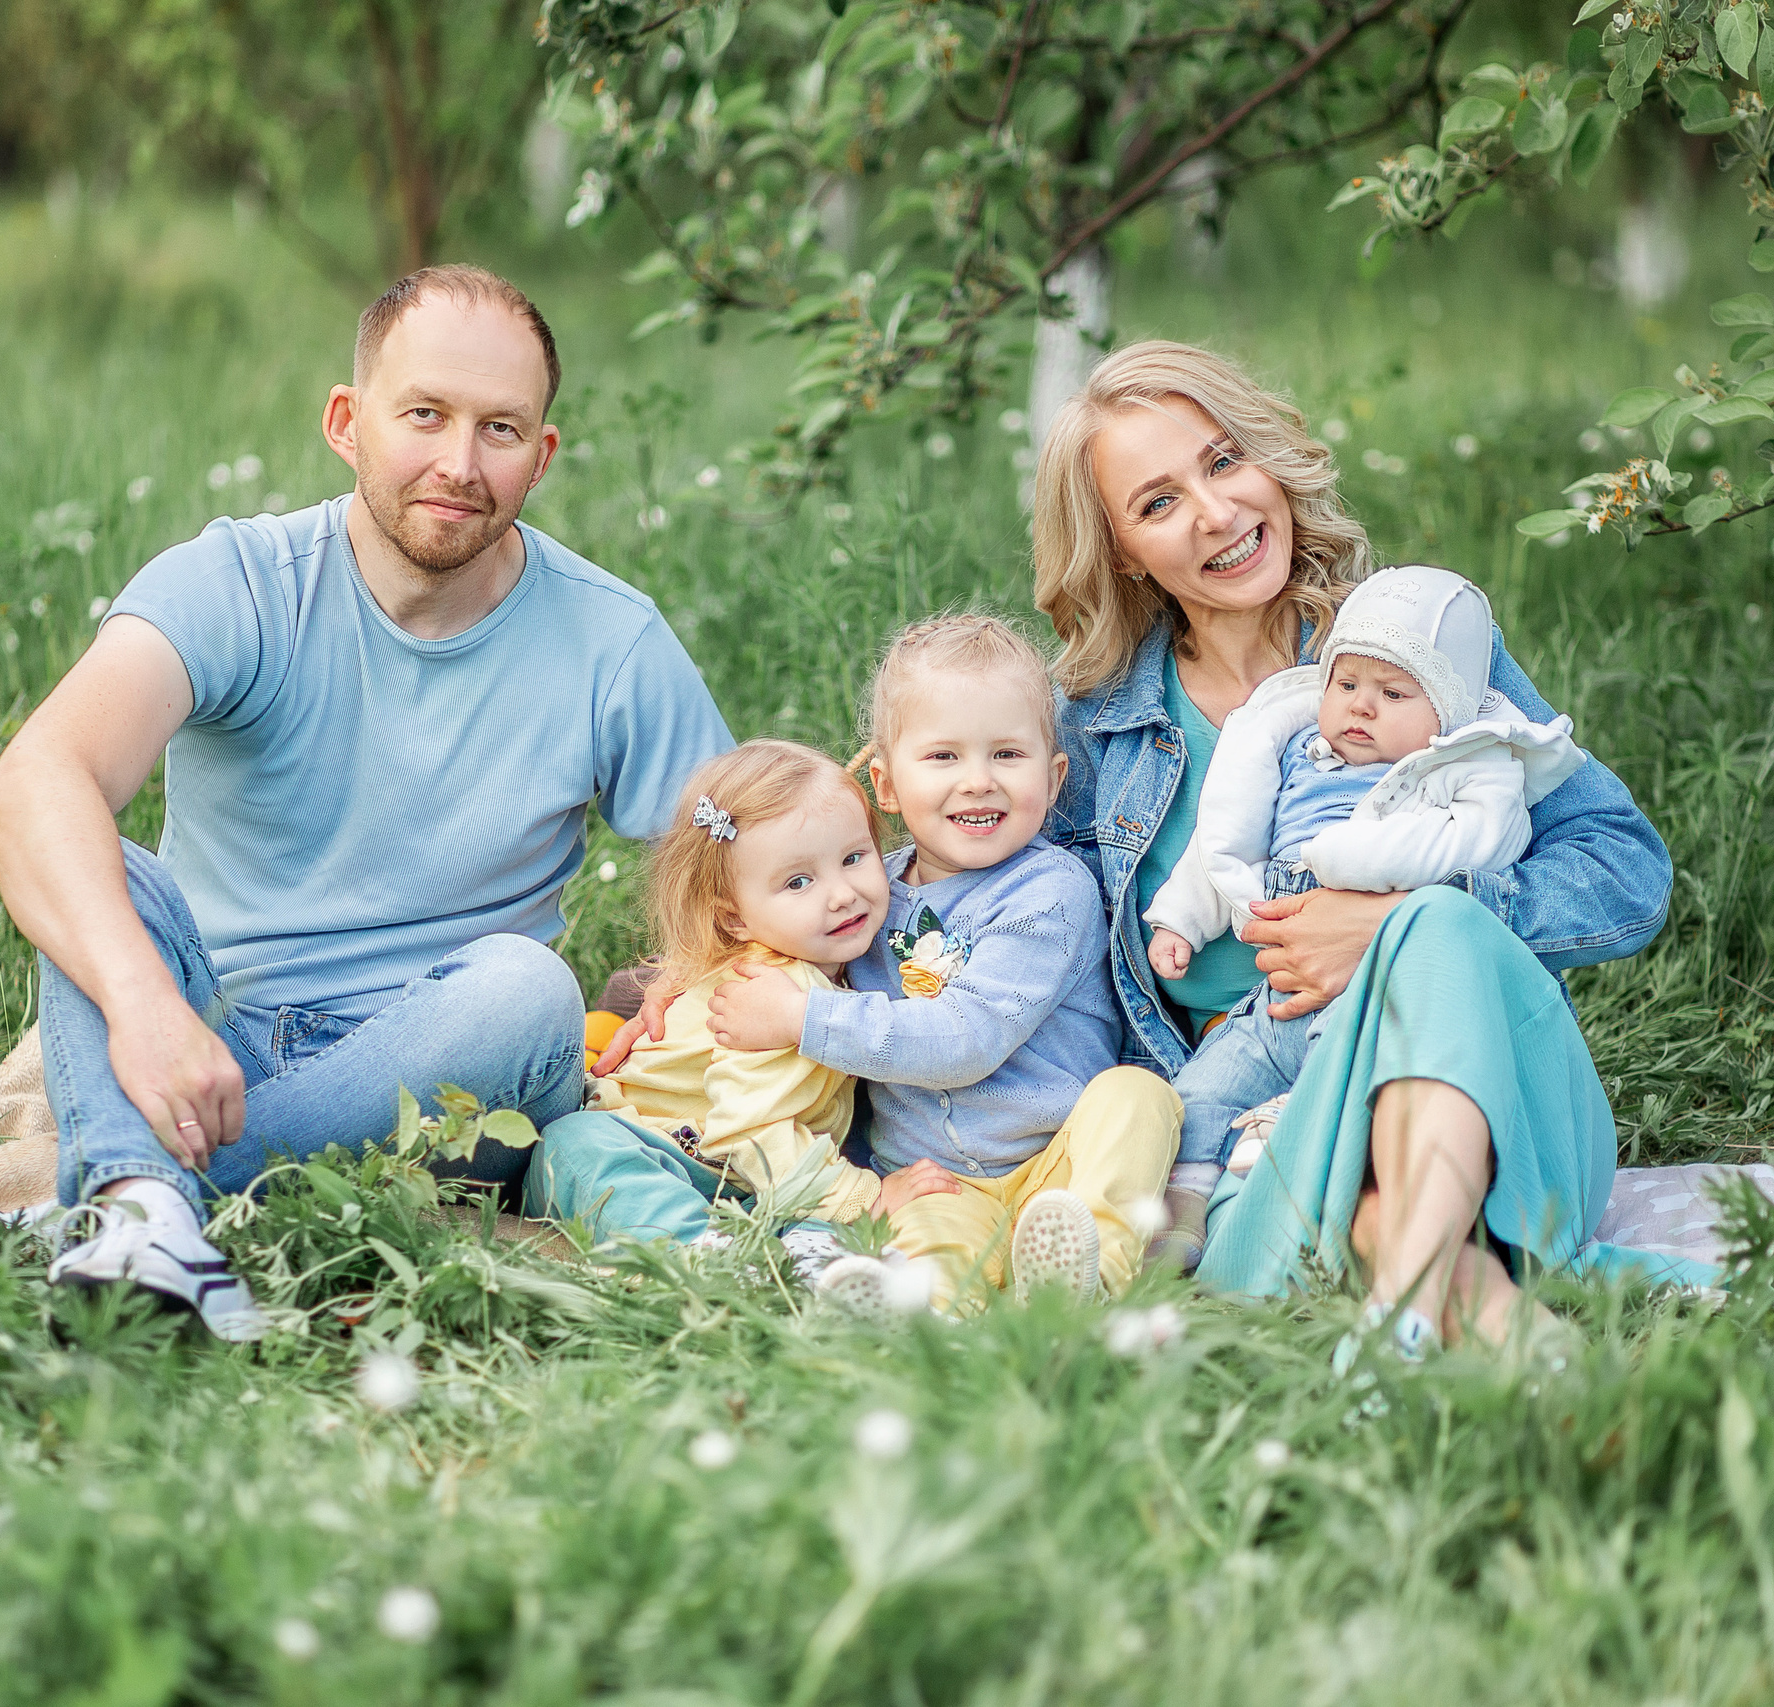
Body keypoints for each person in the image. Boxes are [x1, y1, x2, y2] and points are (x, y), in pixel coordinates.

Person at [0, 264, 733, 1339]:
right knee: (106, 870)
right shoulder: (240, 581)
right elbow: (32, 784)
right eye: (423, 415)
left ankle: (119, 1184)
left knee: (530, 988)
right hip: (212, 1039)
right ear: (348, 421)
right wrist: (147, 1009)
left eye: (501, 430)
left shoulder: (612, 641)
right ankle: (147, 1217)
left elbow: (741, 859)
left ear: (543, 455)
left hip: (456, 1079)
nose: (459, 464)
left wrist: (689, 971)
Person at [1032, 339, 1674, 1353]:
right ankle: (1557, 1386)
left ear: (1269, 463)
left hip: (1486, 1091)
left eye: (1222, 461)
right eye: (1155, 504)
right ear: (1119, 551)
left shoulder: (1413, 645)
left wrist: (1397, 922)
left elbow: (1625, 872)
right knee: (1382, 1222)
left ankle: (1419, 1319)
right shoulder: (1093, 729)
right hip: (1251, 1136)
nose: (1214, 513)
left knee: (1434, 925)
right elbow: (1015, 931)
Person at [704, 616, 1181, 1314]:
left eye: (1007, 755)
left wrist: (802, 1016)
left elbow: (965, 1039)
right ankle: (932, 1318)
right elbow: (773, 935)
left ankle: (1087, 1278)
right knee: (930, 1250)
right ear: (886, 785)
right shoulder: (864, 895)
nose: (978, 781)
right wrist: (672, 986)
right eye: (943, 757)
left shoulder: (1050, 893)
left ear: (1053, 780)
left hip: (1057, 1162)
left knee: (1138, 1097)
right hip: (932, 1179)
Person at [1141, 565, 1586, 1207]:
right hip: (1277, 998)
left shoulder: (1459, 771)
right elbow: (1222, 848)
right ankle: (1183, 1210)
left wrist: (1353, 861)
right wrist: (1180, 919)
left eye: (1394, 694)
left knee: (1342, 1067)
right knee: (1203, 1089)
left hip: (1378, 997)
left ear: (1446, 715)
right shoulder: (1294, 754)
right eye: (1345, 684)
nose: (1361, 706)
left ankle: (1302, 1139)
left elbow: (1480, 840)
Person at [523, 741, 952, 1276]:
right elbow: (749, 1129)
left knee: (807, 1217)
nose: (841, 894)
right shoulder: (774, 990)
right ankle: (699, 1259)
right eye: (798, 882)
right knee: (576, 1145)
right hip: (657, 1149)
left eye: (852, 858)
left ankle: (806, 1270)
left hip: (751, 1182)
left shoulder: (832, 961)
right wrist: (865, 1196)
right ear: (735, 921)